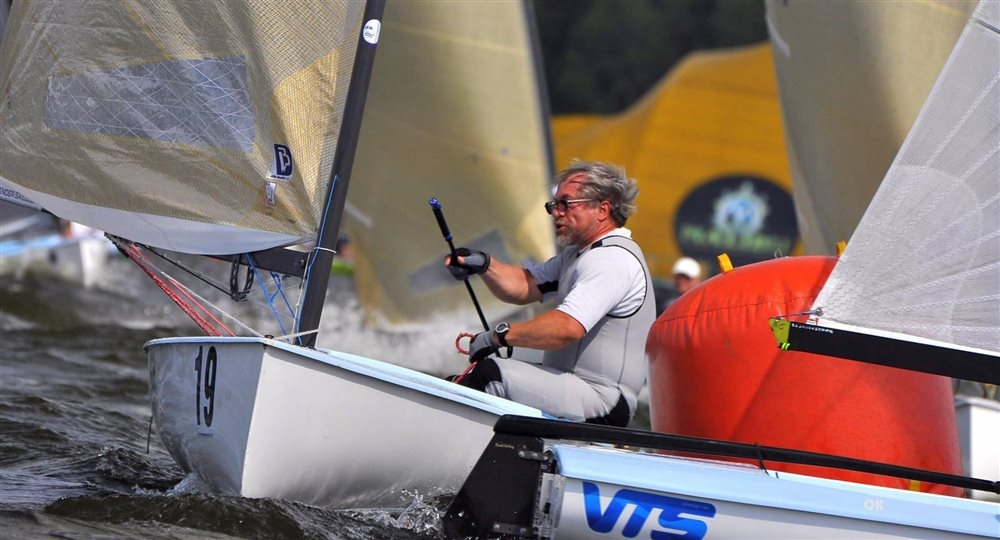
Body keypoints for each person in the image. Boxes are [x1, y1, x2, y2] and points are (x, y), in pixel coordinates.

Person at [444, 160, 655, 427]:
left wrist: (497, 337)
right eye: (553, 205)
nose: (555, 212)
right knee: (463, 381)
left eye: (565, 204)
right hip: (573, 388)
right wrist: (484, 264)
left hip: (603, 401)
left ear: (602, 209)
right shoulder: (579, 255)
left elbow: (566, 328)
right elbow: (524, 286)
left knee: (490, 375)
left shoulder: (612, 259)